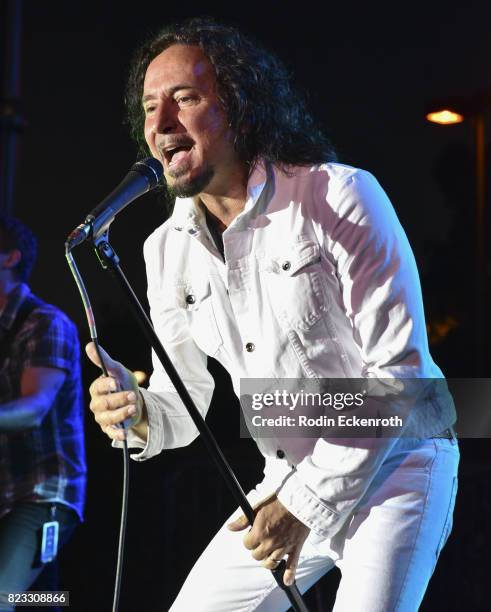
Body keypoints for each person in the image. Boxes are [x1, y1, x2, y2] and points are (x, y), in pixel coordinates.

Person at [87, 18, 459, 611]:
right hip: (287, 479)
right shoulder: (166, 249)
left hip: (398, 467)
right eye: (150, 106)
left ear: (238, 106)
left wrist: (304, 507)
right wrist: (137, 412)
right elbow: (183, 407)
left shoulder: (339, 196)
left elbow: (401, 378)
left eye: (185, 99)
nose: (160, 125)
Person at [0, 214, 86, 610]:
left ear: (9, 258)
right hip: (8, 494)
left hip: (41, 494)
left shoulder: (44, 322)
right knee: (37, 601)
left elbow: (33, 409)